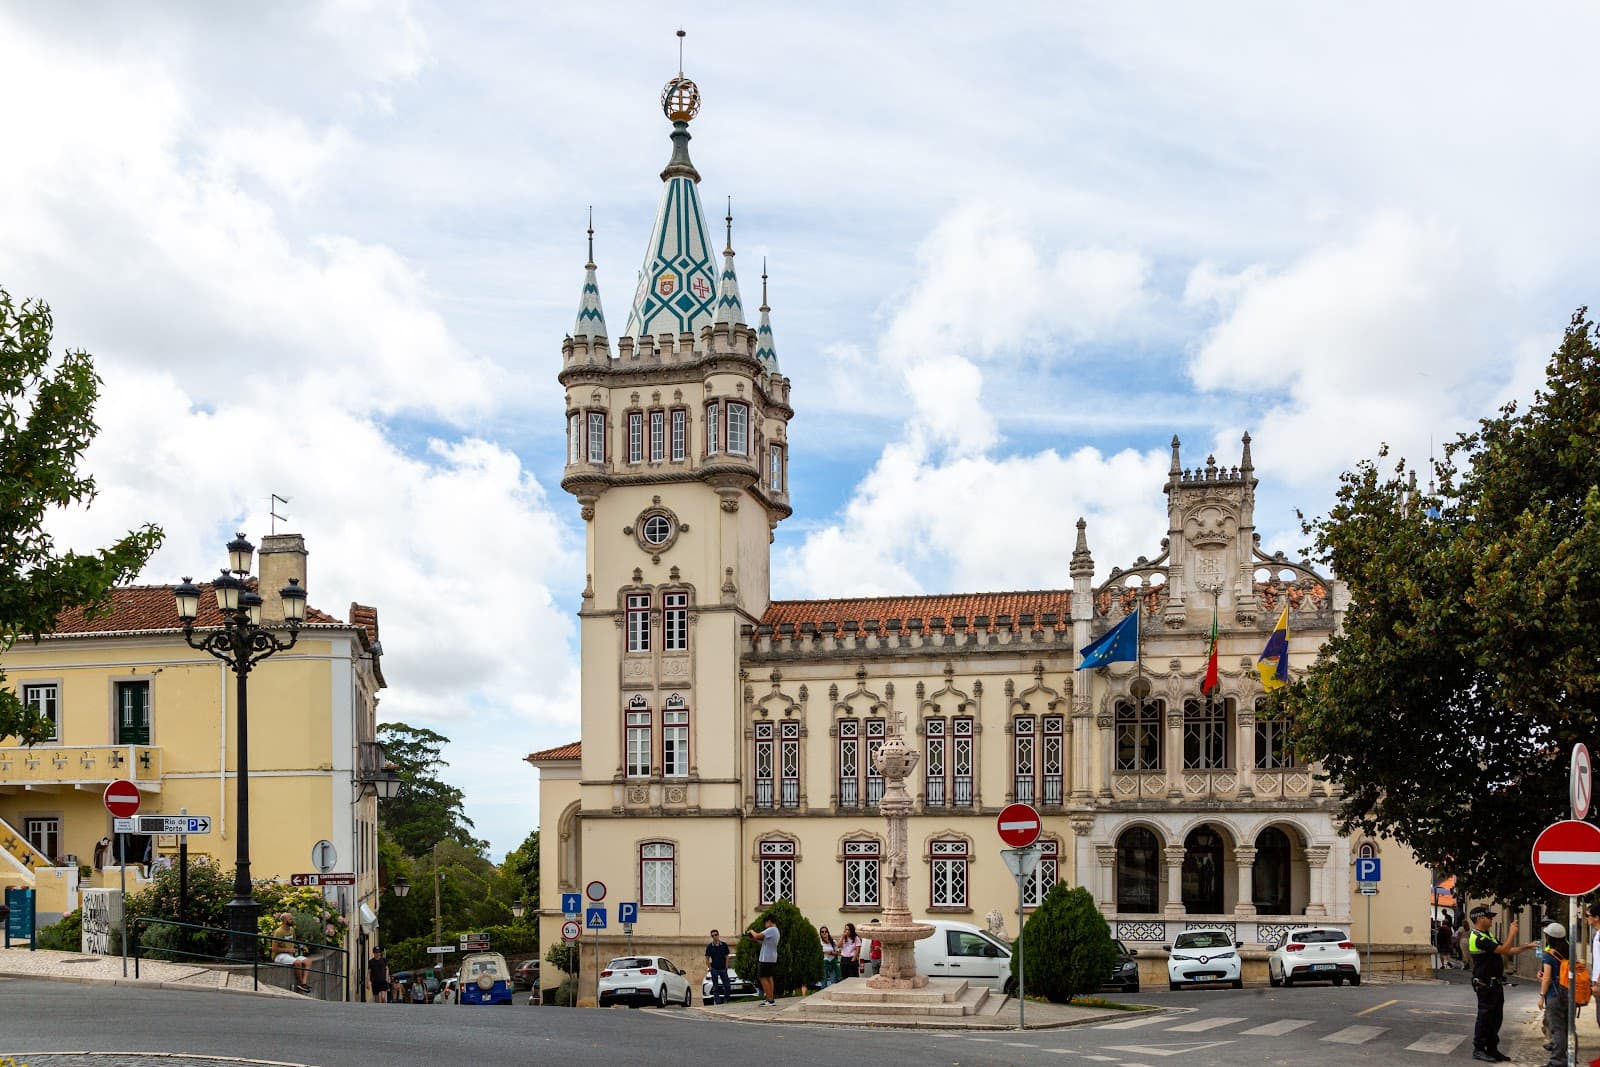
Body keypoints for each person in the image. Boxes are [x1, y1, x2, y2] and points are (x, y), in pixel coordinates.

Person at [1467, 904, 1537, 1062]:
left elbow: (1508, 950)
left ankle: (1492, 1049)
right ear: (1479, 918)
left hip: (1495, 984)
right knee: (1485, 1017)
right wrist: (1512, 932)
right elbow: (1505, 950)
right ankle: (1478, 1049)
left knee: (1496, 1018)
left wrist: (1527, 946)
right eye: (1489, 917)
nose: (1492, 919)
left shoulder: (1488, 935)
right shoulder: (1478, 937)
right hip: (1485, 984)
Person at [271, 912, 311, 994]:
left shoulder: (292, 930)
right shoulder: (279, 932)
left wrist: (302, 946)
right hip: (279, 955)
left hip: (290, 954)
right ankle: (300, 984)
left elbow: (293, 942)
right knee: (298, 963)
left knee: (308, 961)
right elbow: (274, 949)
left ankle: (304, 983)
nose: (292, 920)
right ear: (284, 920)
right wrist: (288, 950)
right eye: (290, 919)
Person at [746, 913, 779, 1005]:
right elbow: (763, 943)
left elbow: (757, 935)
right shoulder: (775, 931)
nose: (765, 926)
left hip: (766, 958)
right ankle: (770, 998)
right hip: (771, 957)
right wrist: (755, 940)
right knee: (769, 977)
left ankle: (769, 999)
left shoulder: (771, 929)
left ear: (769, 921)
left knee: (763, 977)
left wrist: (751, 931)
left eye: (765, 923)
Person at [704, 928, 732, 1005]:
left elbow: (727, 956)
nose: (714, 937)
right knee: (715, 987)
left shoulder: (724, 945)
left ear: (718, 935)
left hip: (723, 968)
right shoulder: (709, 946)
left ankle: (727, 1000)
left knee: (727, 985)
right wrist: (710, 968)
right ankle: (718, 1001)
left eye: (716, 935)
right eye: (712, 936)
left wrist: (726, 966)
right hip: (714, 969)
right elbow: (707, 958)